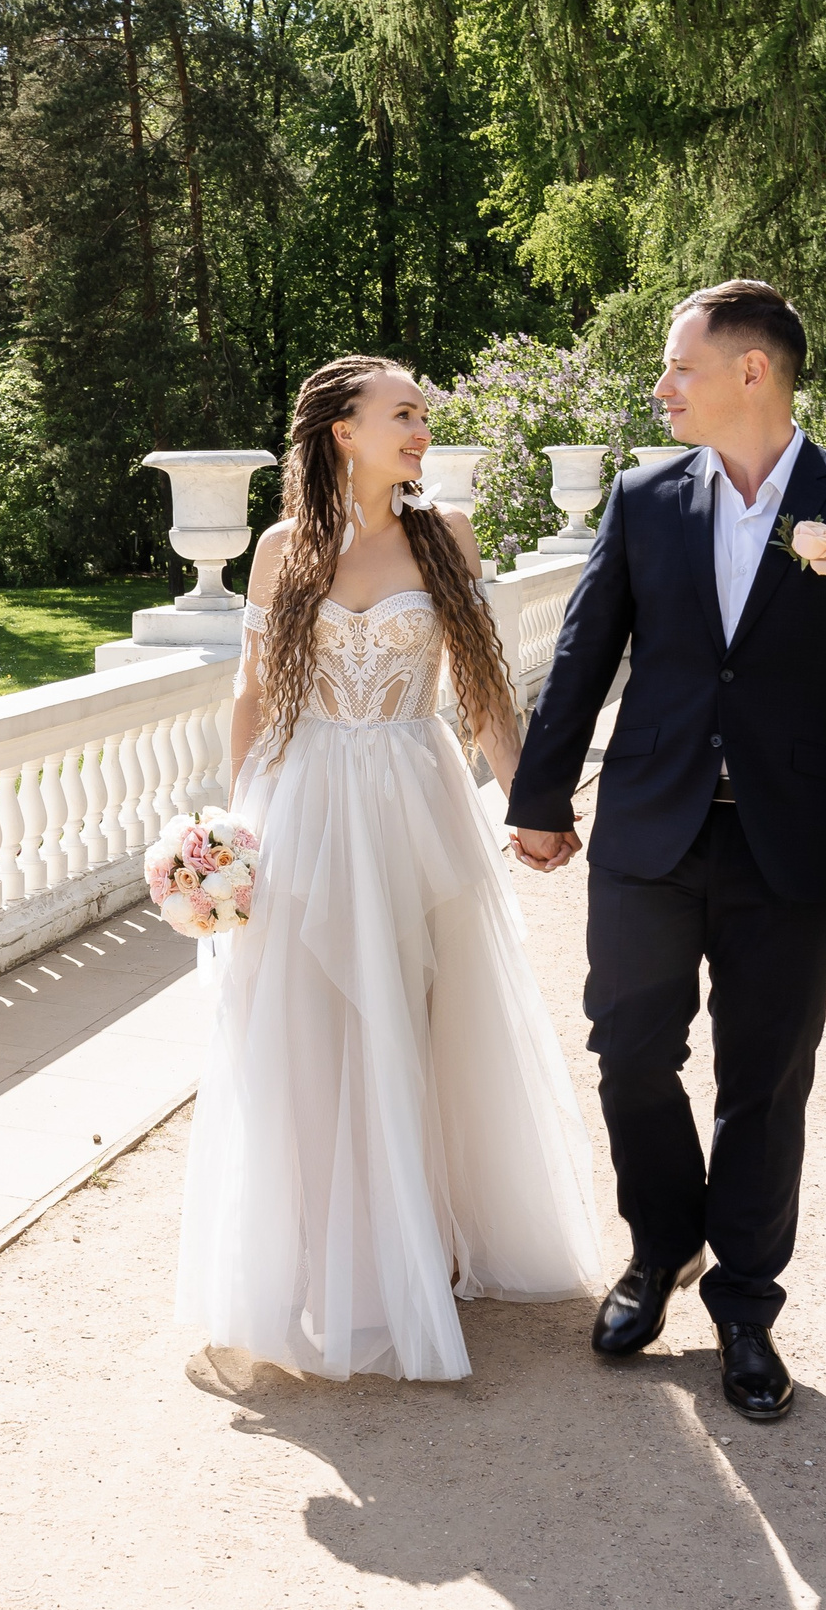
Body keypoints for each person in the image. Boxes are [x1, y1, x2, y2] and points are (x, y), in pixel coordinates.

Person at [507, 280, 826, 1423]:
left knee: (766, 1078)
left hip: (788, 842)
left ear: (752, 371)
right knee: (631, 1052)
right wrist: (540, 795)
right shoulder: (645, 499)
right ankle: (660, 1255)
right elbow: (580, 656)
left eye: (678, 369)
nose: (661, 390)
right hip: (649, 828)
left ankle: (746, 1308)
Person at [176, 354, 607, 1383]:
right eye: (403, 413)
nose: (420, 430)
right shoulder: (284, 549)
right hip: (305, 800)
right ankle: (325, 1262)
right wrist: (234, 833)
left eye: (421, 414)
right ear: (343, 431)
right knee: (307, 1029)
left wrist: (530, 800)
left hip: (418, 796)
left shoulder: (442, 535)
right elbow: (250, 694)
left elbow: (483, 689)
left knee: (421, 1016)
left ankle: (425, 1246)